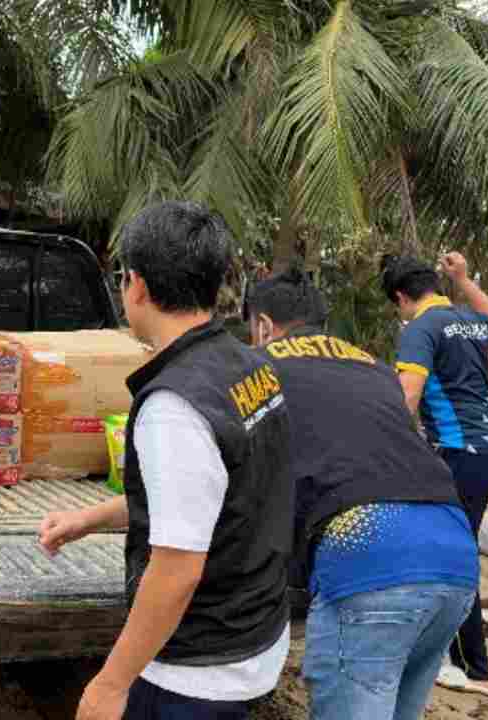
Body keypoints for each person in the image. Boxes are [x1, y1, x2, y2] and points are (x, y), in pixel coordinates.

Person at [38, 201, 293, 720]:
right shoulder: (247, 365)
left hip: (196, 670)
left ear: (136, 285)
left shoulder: (174, 406)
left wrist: (110, 684)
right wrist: (90, 519)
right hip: (254, 633)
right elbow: (210, 497)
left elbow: (176, 571)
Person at [244, 268, 480, 719]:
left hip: (372, 561)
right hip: (454, 552)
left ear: (263, 326)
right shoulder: (374, 368)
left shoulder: (259, 368)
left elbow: (229, 475)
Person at [382, 252, 488, 693]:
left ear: (400, 297)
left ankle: (470, 664)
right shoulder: (468, 321)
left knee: (451, 555)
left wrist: (385, 456)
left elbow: (408, 396)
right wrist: (465, 280)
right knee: (454, 548)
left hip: (459, 454)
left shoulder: (420, 329)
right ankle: (463, 657)